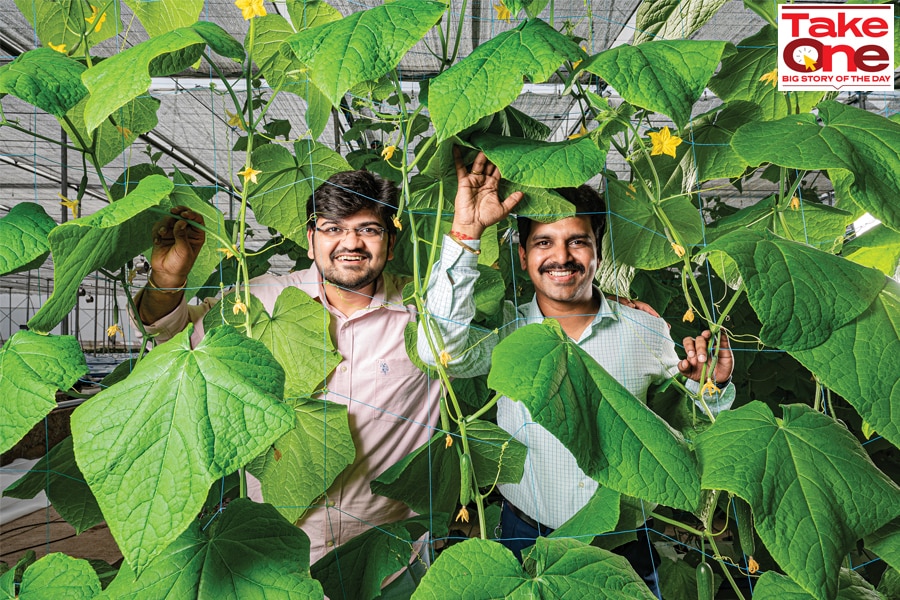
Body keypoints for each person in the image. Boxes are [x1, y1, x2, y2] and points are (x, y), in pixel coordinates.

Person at [418, 150, 734, 598]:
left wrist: (711, 386)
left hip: (622, 542)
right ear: (524, 254)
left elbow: (689, 428)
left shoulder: (646, 329)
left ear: (599, 252)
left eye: (578, 241)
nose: (561, 256)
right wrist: (466, 235)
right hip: (525, 532)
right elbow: (438, 352)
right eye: (544, 242)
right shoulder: (508, 331)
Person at [134, 170, 443, 575]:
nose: (351, 242)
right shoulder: (259, 299)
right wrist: (168, 278)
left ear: (391, 239)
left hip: (390, 558)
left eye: (369, 229)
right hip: (280, 559)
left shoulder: (424, 314)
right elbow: (171, 334)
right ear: (311, 238)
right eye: (333, 228)